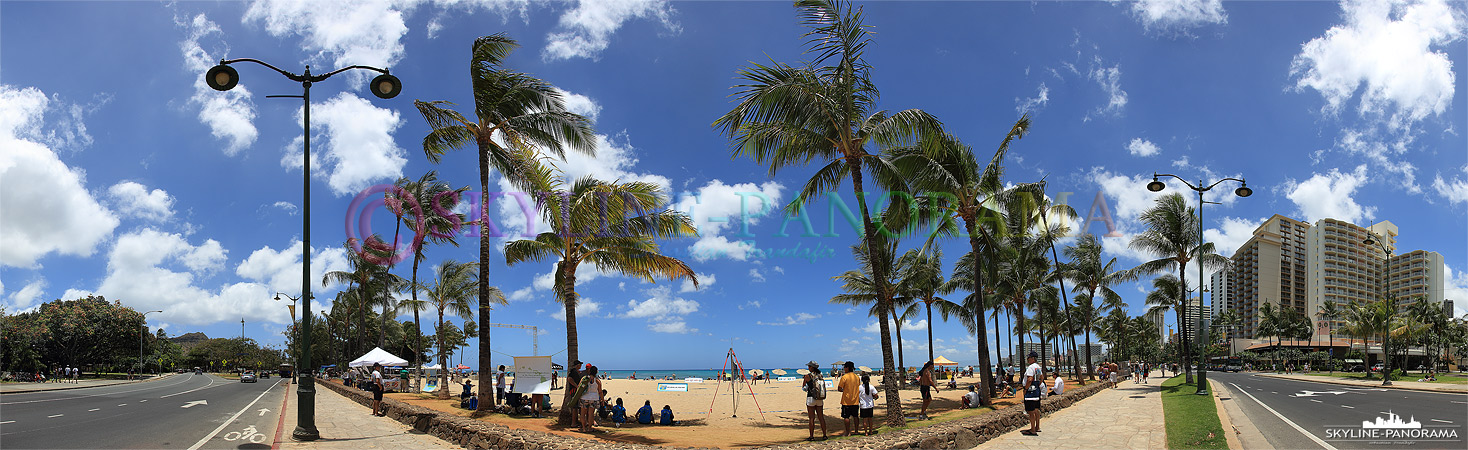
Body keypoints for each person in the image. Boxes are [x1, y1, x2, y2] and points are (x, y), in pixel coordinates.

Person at [802, 361, 828, 441]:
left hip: (811, 398)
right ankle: (824, 435)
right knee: (821, 417)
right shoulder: (820, 375)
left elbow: (803, 388)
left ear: (812, 367)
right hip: (820, 398)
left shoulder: (807, 376)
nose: (808, 368)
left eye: (809, 366)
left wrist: (805, 382)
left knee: (811, 418)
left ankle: (811, 436)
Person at [574, 365, 604, 432]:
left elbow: (579, 387)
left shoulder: (584, 378)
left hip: (584, 397)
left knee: (583, 414)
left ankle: (584, 428)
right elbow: (600, 391)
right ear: (596, 372)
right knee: (591, 414)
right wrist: (602, 399)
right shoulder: (597, 381)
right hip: (594, 399)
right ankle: (590, 428)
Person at [1021, 352, 1043, 436]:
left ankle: (1033, 430)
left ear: (1033, 358)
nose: (1027, 359)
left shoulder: (1031, 367)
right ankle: (1037, 427)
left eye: (1029, 357)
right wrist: (1038, 385)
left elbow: (1029, 379)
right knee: (1036, 410)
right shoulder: (1038, 367)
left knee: (1031, 411)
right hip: (1036, 391)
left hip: (1030, 393)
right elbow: (1041, 378)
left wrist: (1026, 389)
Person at [836, 361, 860, 437]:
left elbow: (839, 388)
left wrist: (844, 390)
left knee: (846, 417)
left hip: (846, 400)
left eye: (844, 368)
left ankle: (848, 432)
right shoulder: (857, 377)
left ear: (847, 368)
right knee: (855, 416)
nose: (844, 369)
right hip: (855, 399)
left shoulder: (844, 377)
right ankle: (856, 431)